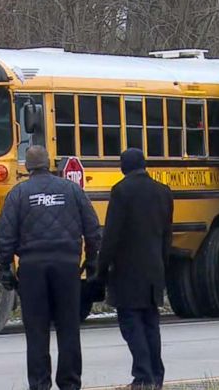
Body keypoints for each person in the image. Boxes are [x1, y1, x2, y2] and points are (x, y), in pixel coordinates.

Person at [0, 146, 101, 390]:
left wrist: (4, 267)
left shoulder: (19, 194)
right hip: (66, 267)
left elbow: (6, 235)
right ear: (49, 164)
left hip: (32, 268)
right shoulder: (72, 190)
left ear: (28, 168)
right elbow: (93, 228)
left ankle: (39, 384)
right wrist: (93, 258)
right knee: (69, 328)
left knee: (36, 331)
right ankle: (70, 383)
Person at [96, 148, 173, 389]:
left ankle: (142, 377)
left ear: (123, 167)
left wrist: (101, 267)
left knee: (131, 323)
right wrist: (163, 264)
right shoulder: (163, 192)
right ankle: (156, 375)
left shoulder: (121, 191)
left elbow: (112, 234)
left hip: (127, 270)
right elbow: (167, 235)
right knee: (151, 323)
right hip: (154, 268)